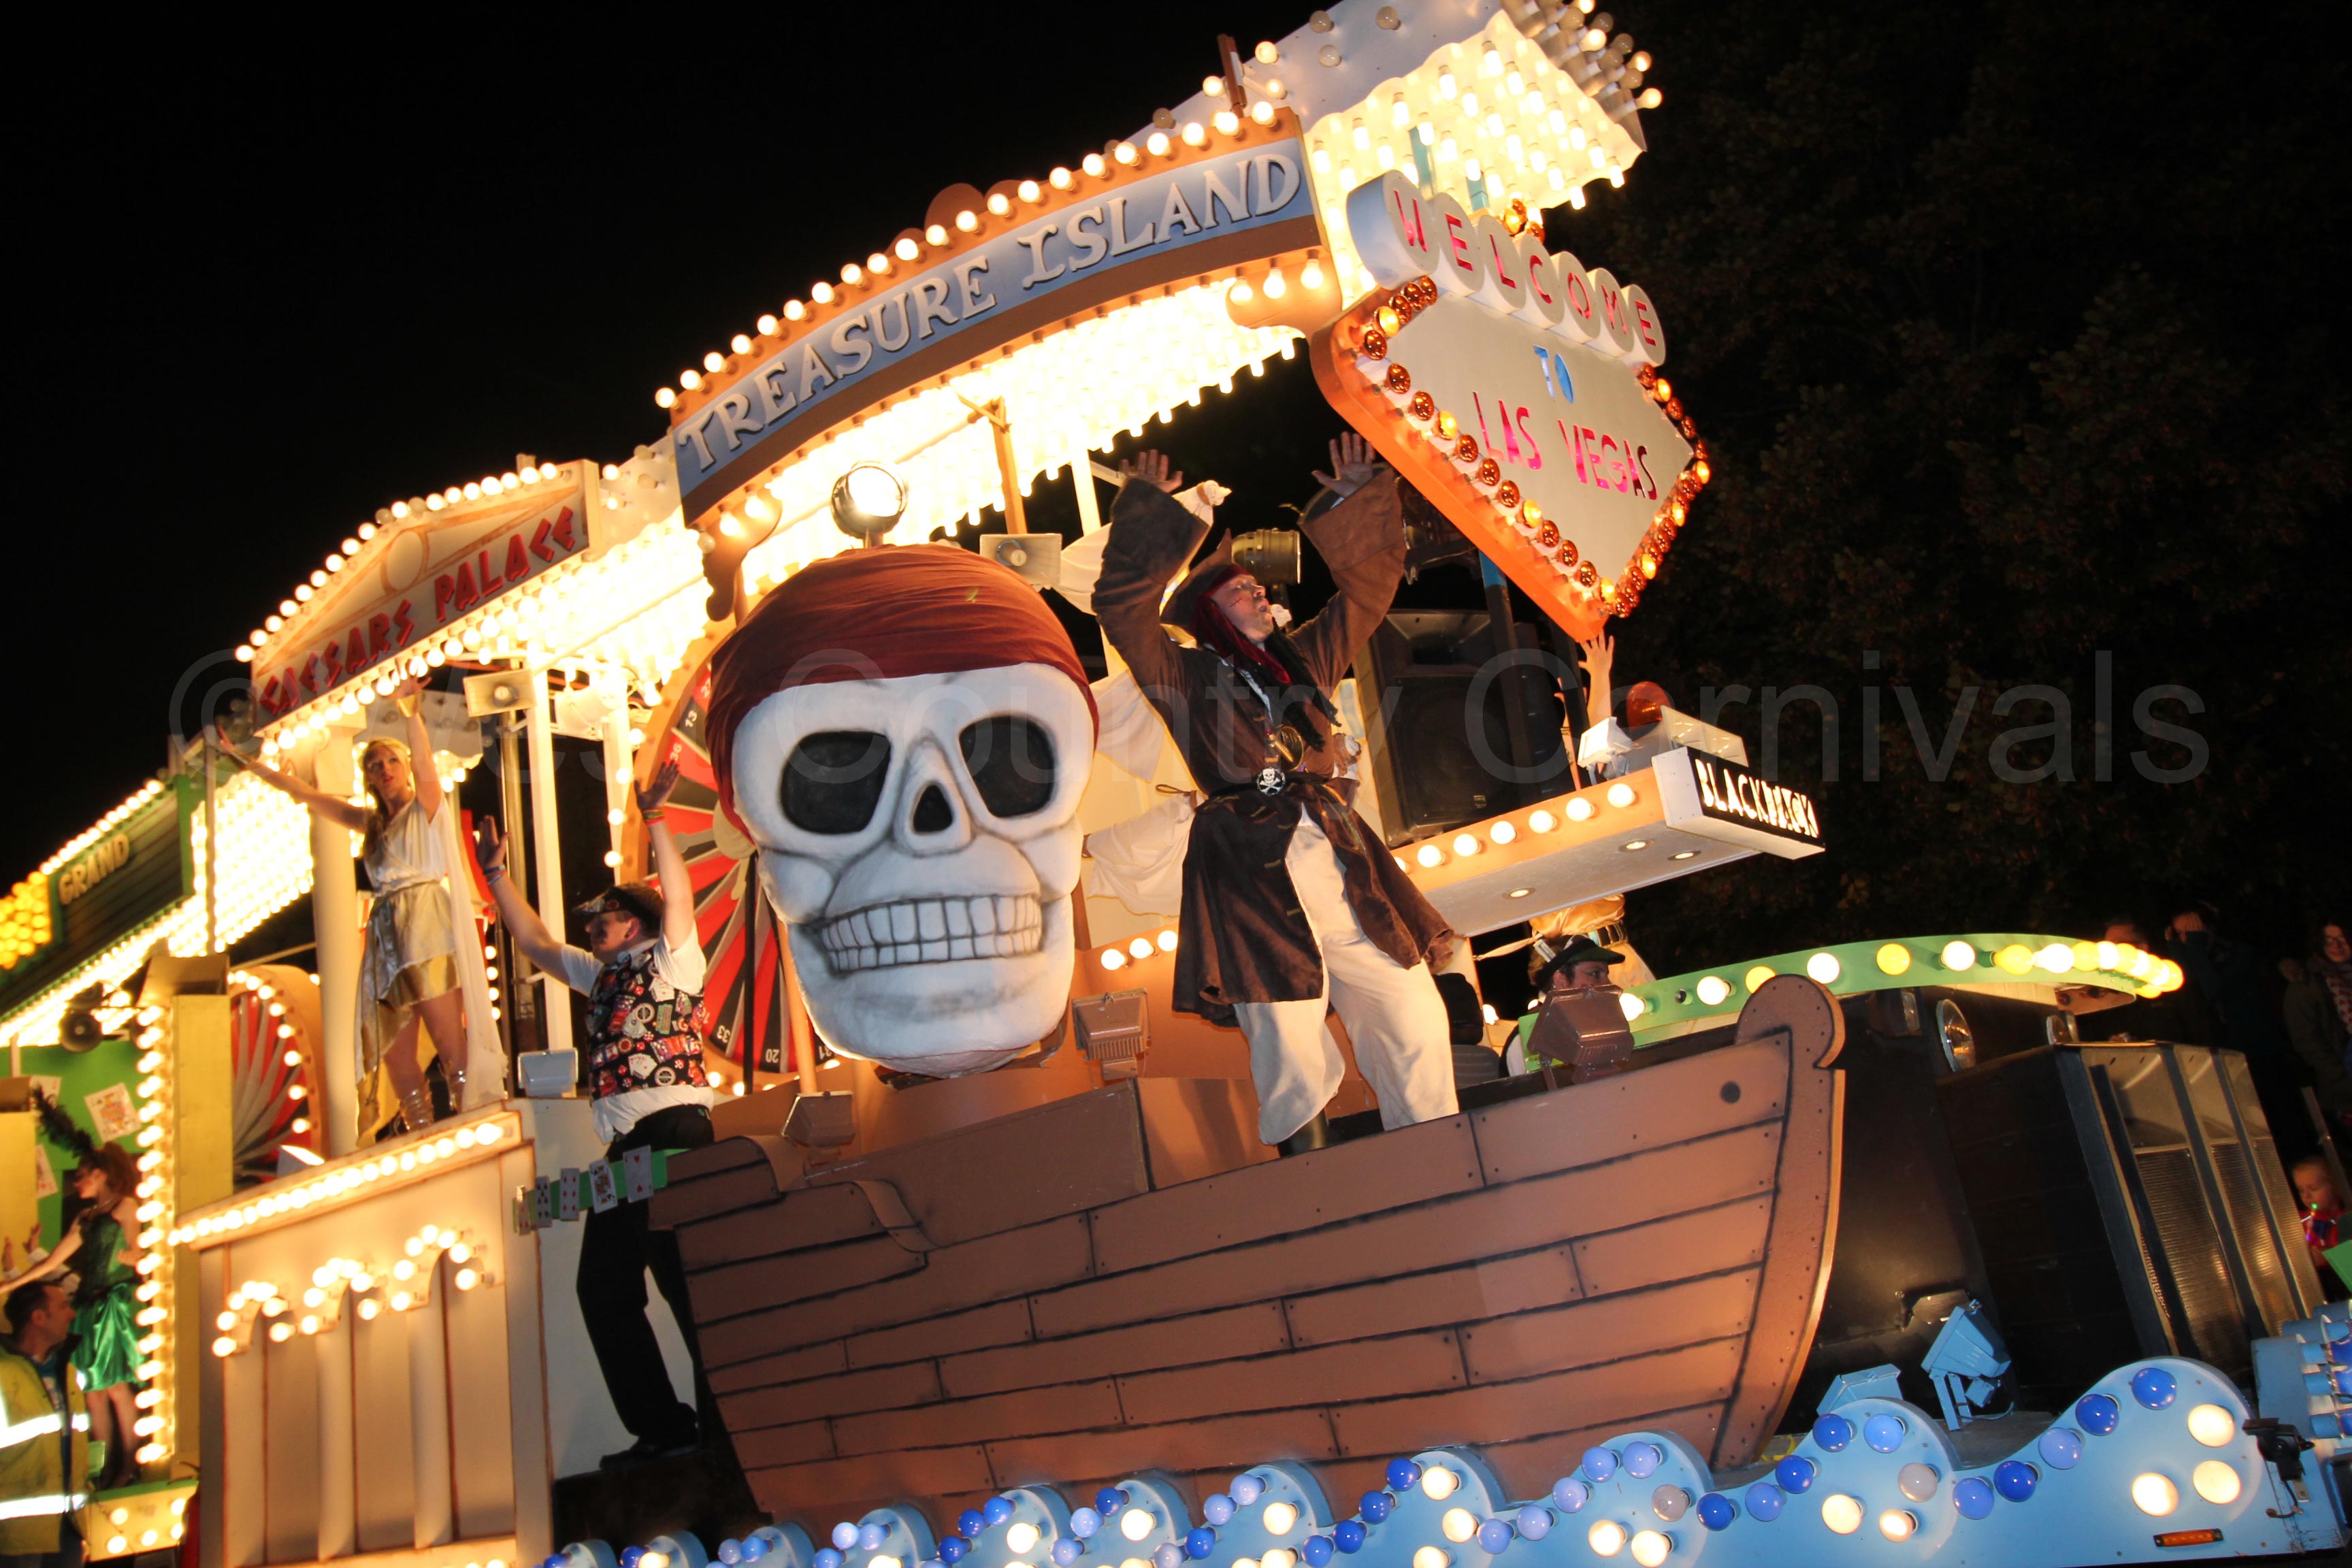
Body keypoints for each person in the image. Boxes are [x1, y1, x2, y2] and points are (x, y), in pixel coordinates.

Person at [1094, 436, 1456, 1154]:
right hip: (1251, 864)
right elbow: (1125, 611)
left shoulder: (1306, 660)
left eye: (1257, 587)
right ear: (1209, 615)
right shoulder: (1183, 675)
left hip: (1340, 856)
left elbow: (1367, 594)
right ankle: (1309, 1173)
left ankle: (1438, 1153)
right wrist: (1147, 518)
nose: (1260, 593)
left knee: (1413, 1010)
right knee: (1287, 1038)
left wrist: (1356, 500)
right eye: (1240, 591)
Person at [475, 757, 714, 1467]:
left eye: (603, 918)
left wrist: (655, 816)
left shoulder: (673, 960)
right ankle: (665, 1427)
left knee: (687, 1283)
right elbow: (534, 944)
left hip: (676, 1133)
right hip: (627, 1148)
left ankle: (724, 1425)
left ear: (633, 921)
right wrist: (494, 875)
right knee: (603, 1288)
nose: (592, 928)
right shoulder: (602, 975)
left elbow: (678, 897)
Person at [241, 677, 470, 1134]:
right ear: (368, 777)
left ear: (404, 768)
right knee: (393, 1047)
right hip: (387, 935)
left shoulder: (427, 807)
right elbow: (307, 796)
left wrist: (409, 711)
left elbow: (425, 762)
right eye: (374, 764)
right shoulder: (371, 824)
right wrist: (248, 764)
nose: (384, 769)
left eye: (391, 761)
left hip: (427, 923)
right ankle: (418, 1129)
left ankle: (470, 1116)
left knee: (448, 1039)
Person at [0, 1114, 136, 1493]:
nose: (77, 1182)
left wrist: (133, 1258)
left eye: (83, 1175)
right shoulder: (86, 1217)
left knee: (115, 1386)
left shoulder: (125, 1207)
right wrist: (13, 1283)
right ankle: (104, 1468)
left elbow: (139, 1248)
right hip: (89, 1305)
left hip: (112, 1302)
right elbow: (52, 1262)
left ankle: (128, 1463)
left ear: (101, 1175)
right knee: (92, 1389)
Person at [1, 1279, 91, 1568]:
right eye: (63, 1307)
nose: (72, 1314)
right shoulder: (3, 1375)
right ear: (38, 1318)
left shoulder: (68, 1373)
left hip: (68, 1527)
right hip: (16, 1537)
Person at [1505, 935, 1627, 1076]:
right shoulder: (1527, 1037)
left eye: (1606, 974)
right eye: (1595, 973)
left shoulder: (1595, 1027)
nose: (1608, 984)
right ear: (1561, 981)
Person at [2285, 921, 2352, 1127]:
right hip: (2345, 1091)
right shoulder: (2306, 986)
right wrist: (2345, 1083)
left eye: (2341, 939)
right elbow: (2308, 1043)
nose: (2336, 946)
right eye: (2328, 940)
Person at [2293, 1155, 2349, 1296]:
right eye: (2301, 1190)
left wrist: (2330, 1258)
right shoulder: (2298, 1221)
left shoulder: (2346, 1221)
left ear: (2335, 1187)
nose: (2306, 1196)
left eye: (2314, 1188)